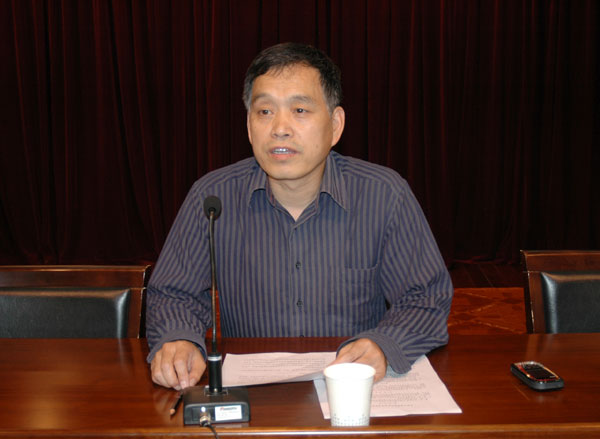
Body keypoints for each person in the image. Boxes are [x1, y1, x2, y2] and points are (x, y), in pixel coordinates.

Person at [146, 42, 453, 391]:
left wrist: (385, 343)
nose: (280, 128)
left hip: (352, 389)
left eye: (300, 110)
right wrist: (178, 338)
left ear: (335, 125)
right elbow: (172, 293)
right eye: (264, 111)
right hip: (255, 398)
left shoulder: (384, 194)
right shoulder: (212, 197)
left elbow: (426, 296)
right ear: (249, 126)